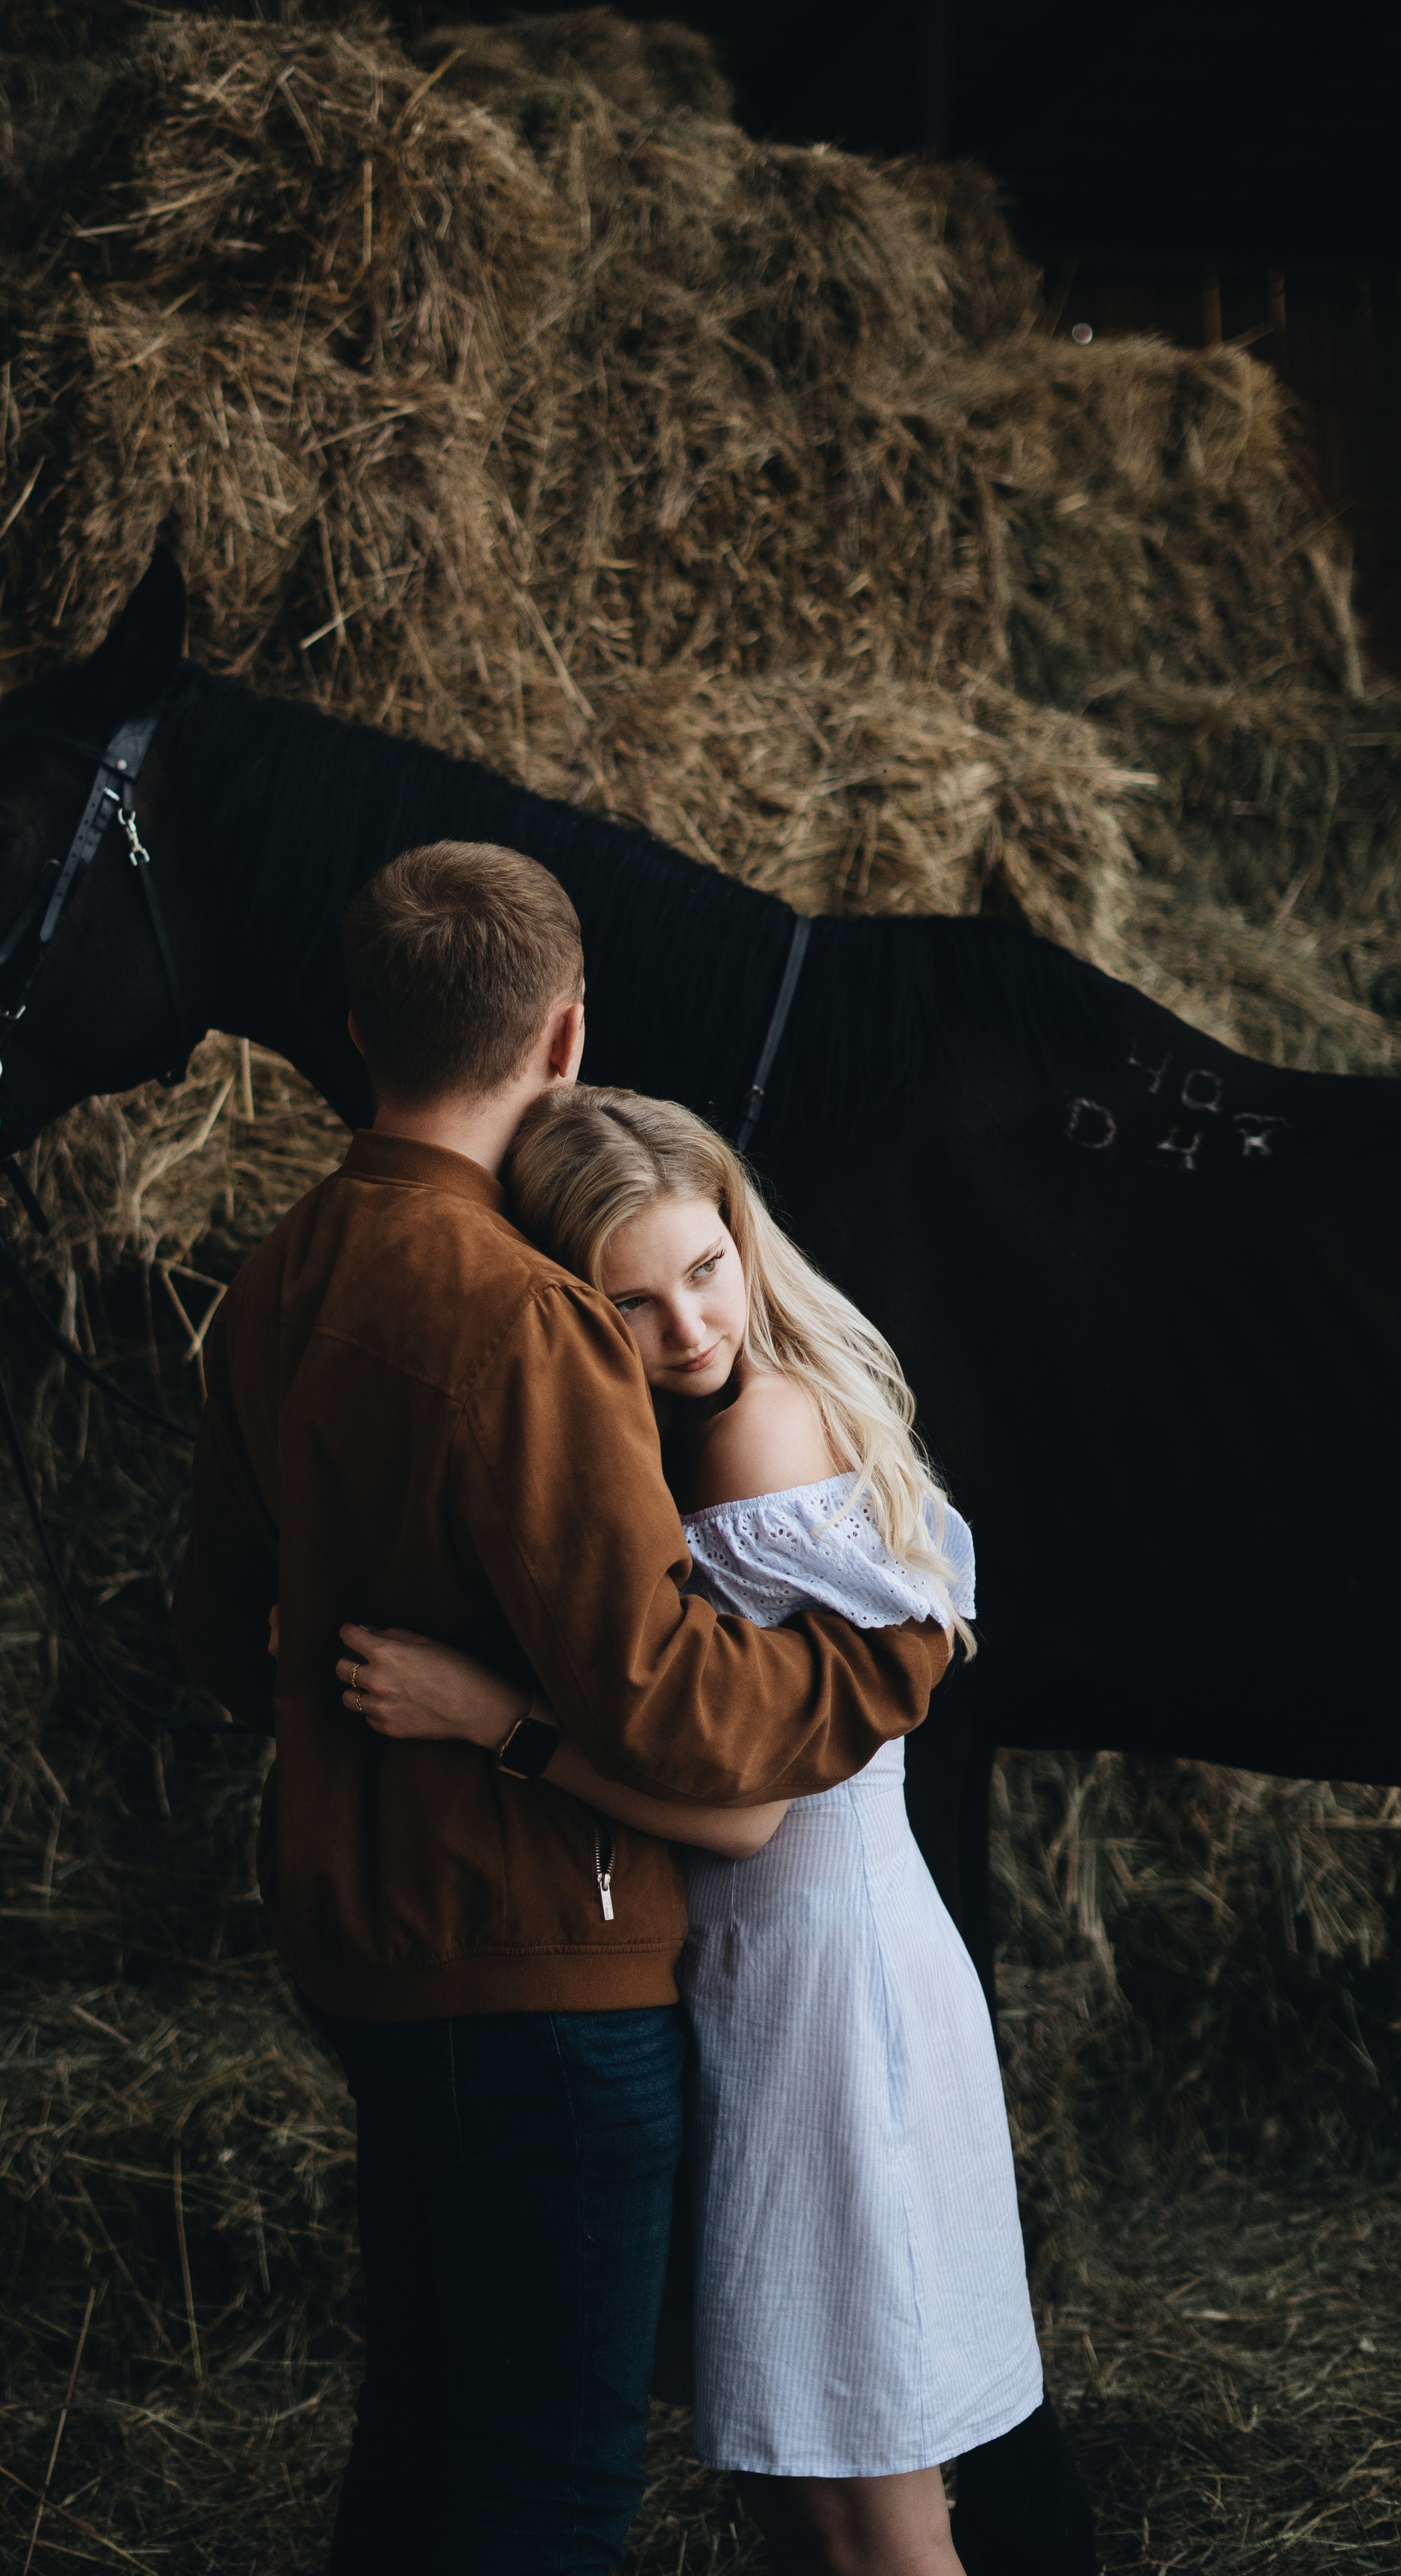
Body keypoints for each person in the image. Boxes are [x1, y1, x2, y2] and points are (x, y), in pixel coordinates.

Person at [170, 842, 953, 2575]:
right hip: (544, 1958)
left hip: (363, 1950)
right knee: (544, 2488)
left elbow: (230, 1648)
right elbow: (665, 1702)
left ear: (356, 1029)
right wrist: (882, 1656)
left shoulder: (276, 1274)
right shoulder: (528, 1316)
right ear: (565, 1036)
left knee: (419, 2454)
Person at [339, 1085, 1045, 2576]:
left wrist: (492, 1720)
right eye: (635, 1302)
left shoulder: (753, 1436)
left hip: (820, 1993)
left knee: (868, 2521)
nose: (690, 1329)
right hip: (778, 1982)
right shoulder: (682, 1429)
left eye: (705, 1269)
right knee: (795, 2494)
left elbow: (748, 1809)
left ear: (742, 1232)